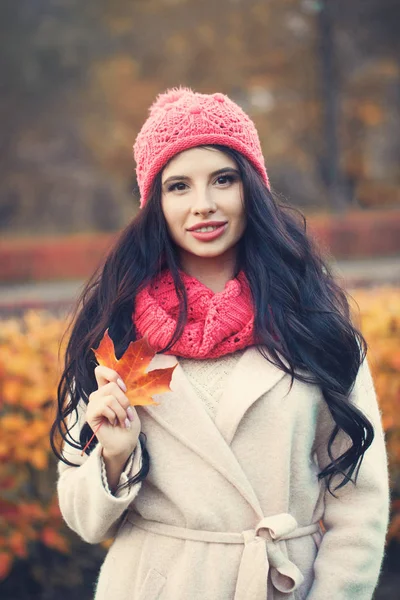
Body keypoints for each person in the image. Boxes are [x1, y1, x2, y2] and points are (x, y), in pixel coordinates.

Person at [50, 87, 390, 600]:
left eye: (223, 180)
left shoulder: (313, 321)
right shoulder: (119, 328)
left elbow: (358, 505)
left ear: (250, 187)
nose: (203, 205)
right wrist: (114, 458)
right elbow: (83, 520)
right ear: (155, 202)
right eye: (179, 186)